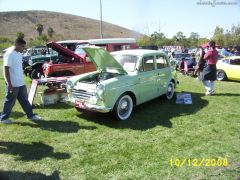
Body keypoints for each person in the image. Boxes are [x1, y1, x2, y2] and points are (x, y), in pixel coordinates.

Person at [0, 38, 42, 124]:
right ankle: (4, 118)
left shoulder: (19, 54)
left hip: (20, 82)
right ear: (17, 44)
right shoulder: (9, 54)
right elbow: (6, 69)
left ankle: (31, 116)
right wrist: (9, 84)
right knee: (10, 101)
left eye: (24, 46)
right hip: (13, 83)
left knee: (25, 100)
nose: (24, 48)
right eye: (22, 46)